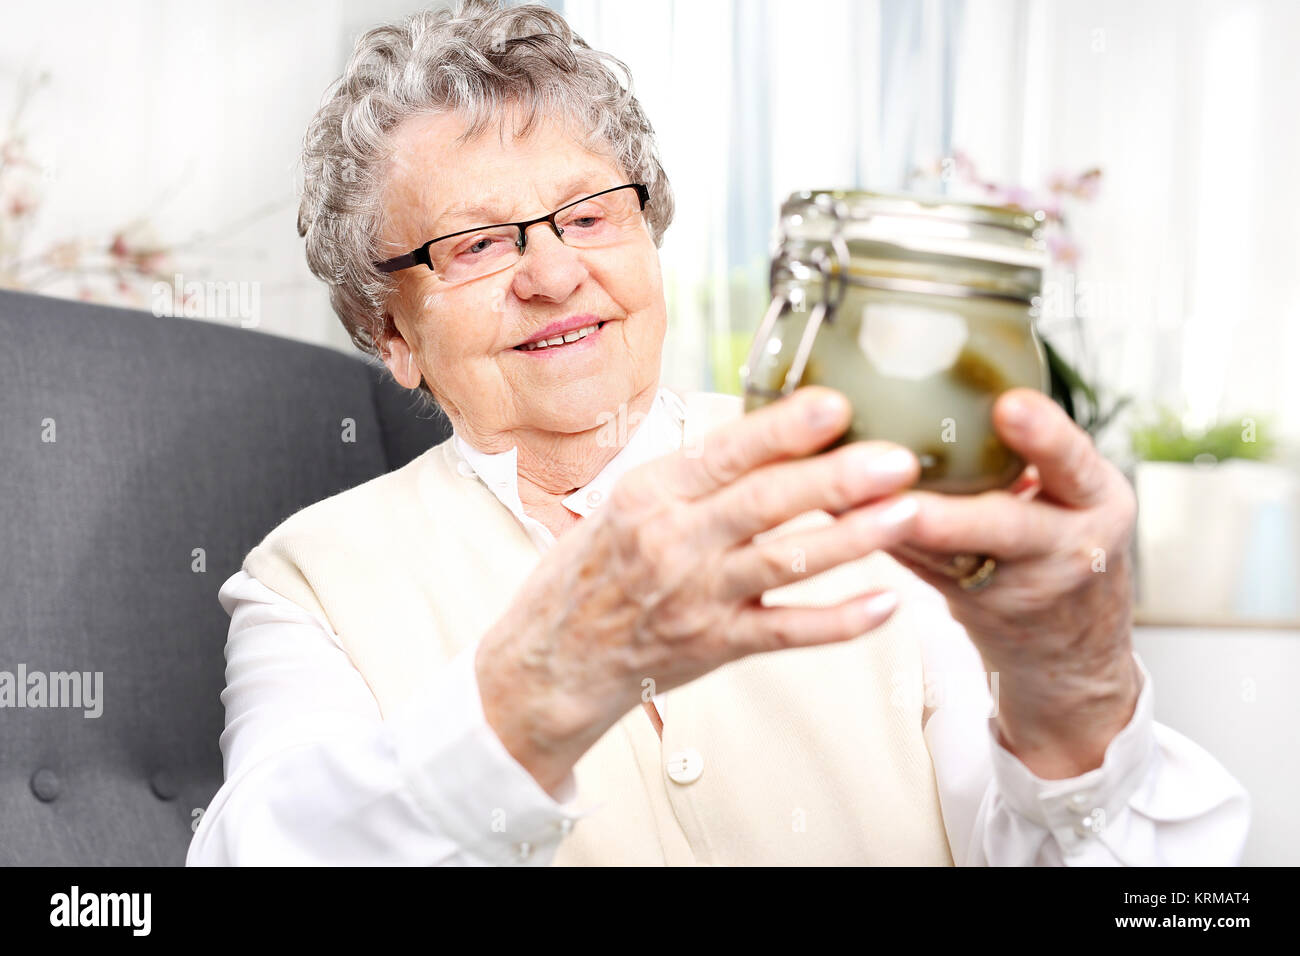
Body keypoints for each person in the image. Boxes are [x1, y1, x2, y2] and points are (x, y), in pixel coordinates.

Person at [187, 0, 1248, 866]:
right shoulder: (307, 584)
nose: (555, 273)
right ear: (390, 333)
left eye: (590, 215)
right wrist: (548, 677)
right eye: (471, 245)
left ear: (647, 238)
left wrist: (1079, 700)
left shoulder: (862, 466)